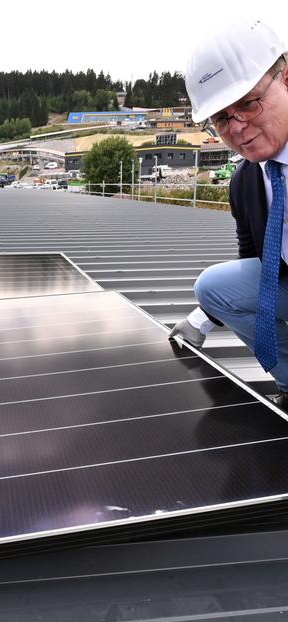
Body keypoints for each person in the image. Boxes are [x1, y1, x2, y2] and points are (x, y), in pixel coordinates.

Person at [169, 18, 288, 409]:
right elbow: (256, 264)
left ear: (285, 79)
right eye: (221, 117)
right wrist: (205, 318)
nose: (235, 127)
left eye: (248, 103)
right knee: (214, 286)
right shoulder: (245, 181)